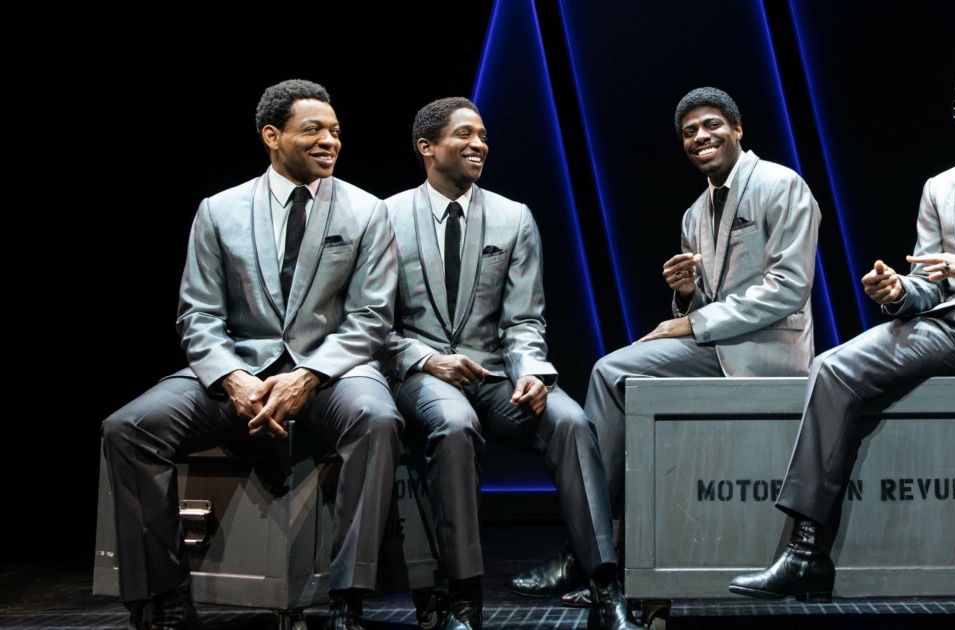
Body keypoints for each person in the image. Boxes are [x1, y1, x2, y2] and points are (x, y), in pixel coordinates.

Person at [729, 53, 955, 630]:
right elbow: (931, 286)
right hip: (946, 325)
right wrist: (899, 291)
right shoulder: (940, 186)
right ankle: (805, 552)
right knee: (833, 366)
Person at [100, 79, 401, 630]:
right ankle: (165, 598)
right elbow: (197, 314)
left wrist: (308, 374)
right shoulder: (219, 210)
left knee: (377, 419)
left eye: (335, 131)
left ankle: (347, 599)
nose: (329, 141)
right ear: (272, 135)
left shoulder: (367, 210)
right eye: (313, 129)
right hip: (240, 367)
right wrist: (232, 377)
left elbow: (371, 318)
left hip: (331, 371)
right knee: (128, 428)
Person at [507, 86, 821, 607]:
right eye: (689, 132)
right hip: (718, 345)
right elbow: (708, 300)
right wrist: (686, 295)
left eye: (712, 125)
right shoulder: (695, 212)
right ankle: (613, 557)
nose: (700, 136)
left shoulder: (780, 184)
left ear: (738, 129)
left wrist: (691, 321)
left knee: (610, 374)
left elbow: (789, 288)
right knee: (619, 381)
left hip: (766, 350)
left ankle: (584, 551)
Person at [381, 97, 638, 630]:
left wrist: (530, 373)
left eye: (484, 136)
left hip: (496, 373)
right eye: (465, 135)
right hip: (422, 372)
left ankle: (605, 585)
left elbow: (524, 321)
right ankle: (464, 597)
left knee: (568, 421)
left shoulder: (513, 217)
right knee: (454, 425)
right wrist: (429, 359)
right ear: (427, 148)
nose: (480, 144)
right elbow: (372, 323)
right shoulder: (383, 217)